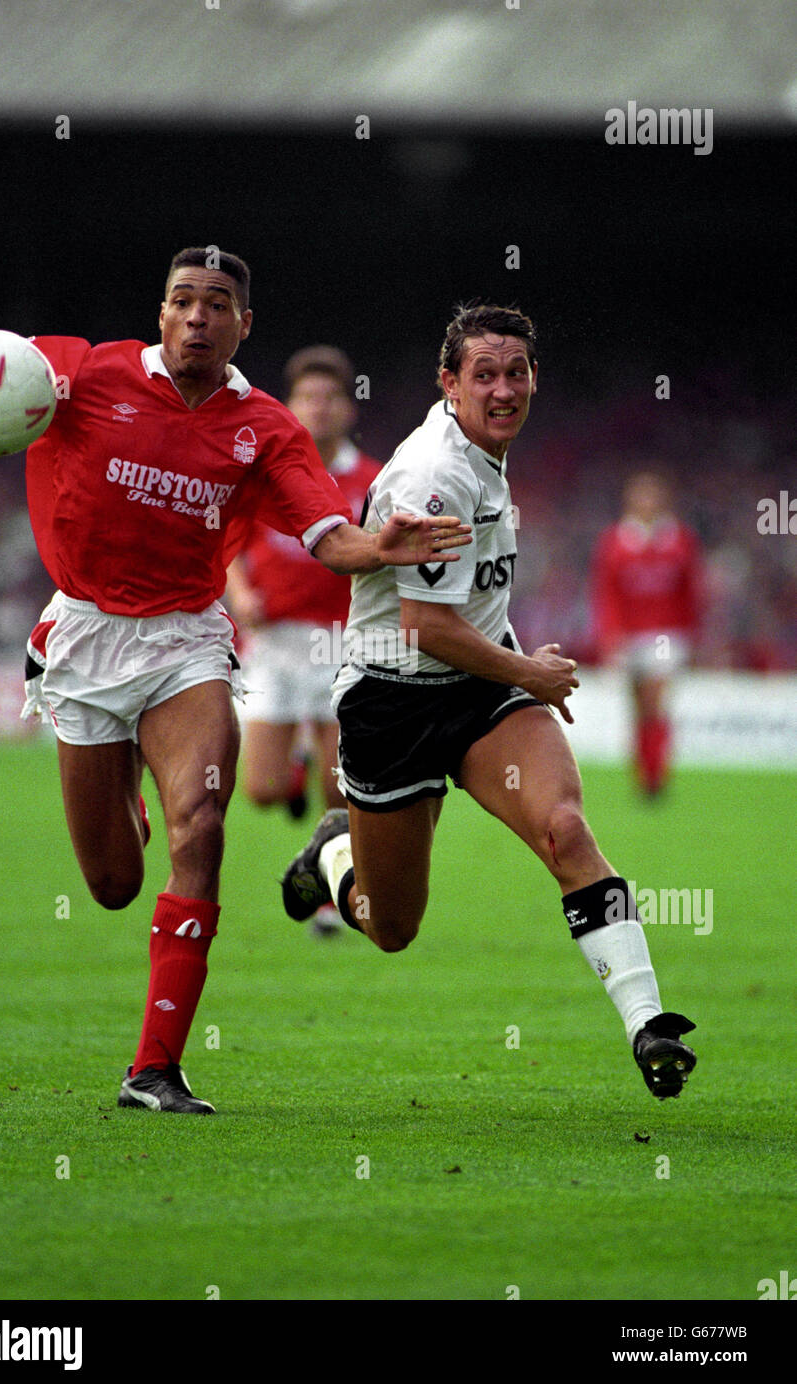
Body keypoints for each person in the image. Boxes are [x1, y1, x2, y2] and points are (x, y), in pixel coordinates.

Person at [18, 246, 471, 1114]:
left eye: (217, 304)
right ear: (160, 314)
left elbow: (329, 534)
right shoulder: (86, 373)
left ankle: (155, 1069)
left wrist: (380, 547)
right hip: (83, 637)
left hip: (188, 641)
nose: (198, 316)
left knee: (203, 827)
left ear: (243, 324)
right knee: (114, 883)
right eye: (183, 301)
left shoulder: (262, 428)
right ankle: (125, 793)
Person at [281, 303, 698, 1101]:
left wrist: (512, 671)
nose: (503, 389)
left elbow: (466, 612)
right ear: (450, 383)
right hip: (392, 699)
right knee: (390, 926)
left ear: (533, 378)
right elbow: (425, 626)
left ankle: (646, 1022)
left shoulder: (488, 456)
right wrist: (528, 671)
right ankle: (332, 855)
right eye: (484, 375)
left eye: (516, 373)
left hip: (479, 694)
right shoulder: (433, 473)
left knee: (565, 827)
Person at [225, 345, 381, 934]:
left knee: (340, 790)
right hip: (273, 646)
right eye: (307, 398)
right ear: (289, 407)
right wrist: (238, 591)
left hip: (344, 644)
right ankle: (292, 767)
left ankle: (328, 898)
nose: (318, 408)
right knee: (260, 791)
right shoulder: (265, 470)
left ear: (348, 408)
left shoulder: (372, 479)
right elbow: (230, 542)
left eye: (330, 398)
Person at [591, 471, 703, 796]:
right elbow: (607, 593)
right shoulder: (615, 541)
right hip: (629, 634)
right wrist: (610, 636)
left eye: (652, 495)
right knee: (637, 703)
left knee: (656, 697)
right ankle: (643, 766)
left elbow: (692, 592)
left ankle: (655, 775)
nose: (647, 501)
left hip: (666, 635)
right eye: (641, 495)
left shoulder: (680, 539)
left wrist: (693, 635)